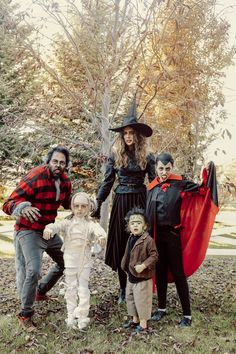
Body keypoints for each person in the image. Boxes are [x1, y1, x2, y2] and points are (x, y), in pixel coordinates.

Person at [91, 100, 156, 304]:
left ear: (137, 135)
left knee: (139, 244)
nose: (128, 136)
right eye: (125, 133)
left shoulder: (147, 155)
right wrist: (98, 202)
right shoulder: (115, 154)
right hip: (120, 202)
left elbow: (154, 182)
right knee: (121, 244)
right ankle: (122, 287)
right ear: (122, 135)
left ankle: (137, 285)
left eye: (131, 133)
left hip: (139, 201)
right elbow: (108, 181)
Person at [2, 146, 72, 331]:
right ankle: (25, 313)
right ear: (48, 161)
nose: (58, 165)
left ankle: (41, 291)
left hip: (49, 230)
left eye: (62, 163)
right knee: (32, 270)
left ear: (66, 165)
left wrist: (87, 203)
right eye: (55, 161)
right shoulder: (35, 177)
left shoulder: (64, 181)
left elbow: (68, 202)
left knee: (66, 261)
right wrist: (23, 208)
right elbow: (8, 204)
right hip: (29, 230)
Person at [146, 153, 218, 327]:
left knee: (179, 274)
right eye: (161, 168)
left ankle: (187, 315)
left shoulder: (180, 184)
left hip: (173, 236)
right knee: (160, 272)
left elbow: (202, 191)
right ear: (156, 167)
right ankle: (161, 308)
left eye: (167, 168)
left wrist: (207, 173)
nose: (164, 172)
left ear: (172, 167)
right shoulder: (151, 187)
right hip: (156, 237)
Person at [43, 192, 107, 330]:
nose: (79, 209)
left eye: (83, 206)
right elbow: (56, 226)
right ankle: (71, 314)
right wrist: (49, 228)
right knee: (71, 287)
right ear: (72, 207)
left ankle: (83, 315)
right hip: (70, 260)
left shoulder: (90, 224)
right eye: (76, 206)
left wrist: (101, 236)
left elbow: (98, 230)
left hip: (84, 260)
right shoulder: (68, 223)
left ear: (89, 207)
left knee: (83, 287)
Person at [121, 207, 158, 333]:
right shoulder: (131, 237)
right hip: (131, 276)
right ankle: (135, 320)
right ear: (129, 226)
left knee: (142, 301)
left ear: (145, 226)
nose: (135, 225)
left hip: (142, 277)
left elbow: (154, 256)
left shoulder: (148, 240)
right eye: (132, 223)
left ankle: (143, 324)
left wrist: (144, 265)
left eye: (138, 223)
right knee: (130, 298)